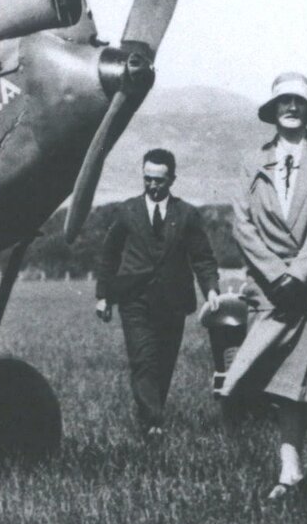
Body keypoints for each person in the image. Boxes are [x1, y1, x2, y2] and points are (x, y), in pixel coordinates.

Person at [218, 72, 307, 508]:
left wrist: (299, 275)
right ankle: (289, 472)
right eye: (283, 102)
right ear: (273, 110)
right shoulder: (251, 162)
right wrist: (277, 276)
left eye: (298, 101)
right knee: (283, 387)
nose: (291, 108)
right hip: (272, 293)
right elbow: (242, 224)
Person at [94, 148, 221, 437]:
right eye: (147, 179)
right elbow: (109, 255)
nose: (152, 185)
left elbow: (202, 257)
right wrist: (104, 296)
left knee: (163, 364)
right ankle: (153, 423)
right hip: (133, 300)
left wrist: (211, 290)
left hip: (173, 301)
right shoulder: (127, 211)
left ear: (171, 180)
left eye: (159, 181)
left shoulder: (187, 214)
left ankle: (150, 419)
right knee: (143, 360)